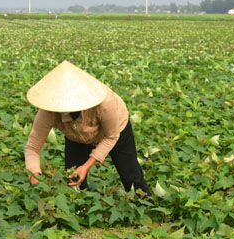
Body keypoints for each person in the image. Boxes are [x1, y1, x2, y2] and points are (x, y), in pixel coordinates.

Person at [25, 60, 150, 196]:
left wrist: (86, 166)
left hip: (116, 131)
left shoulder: (105, 102)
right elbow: (33, 147)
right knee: (73, 179)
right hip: (76, 137)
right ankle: (79, 209)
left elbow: (111, 136)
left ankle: (144, 204)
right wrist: (35, 174)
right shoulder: (48, 110)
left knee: (131, 176)